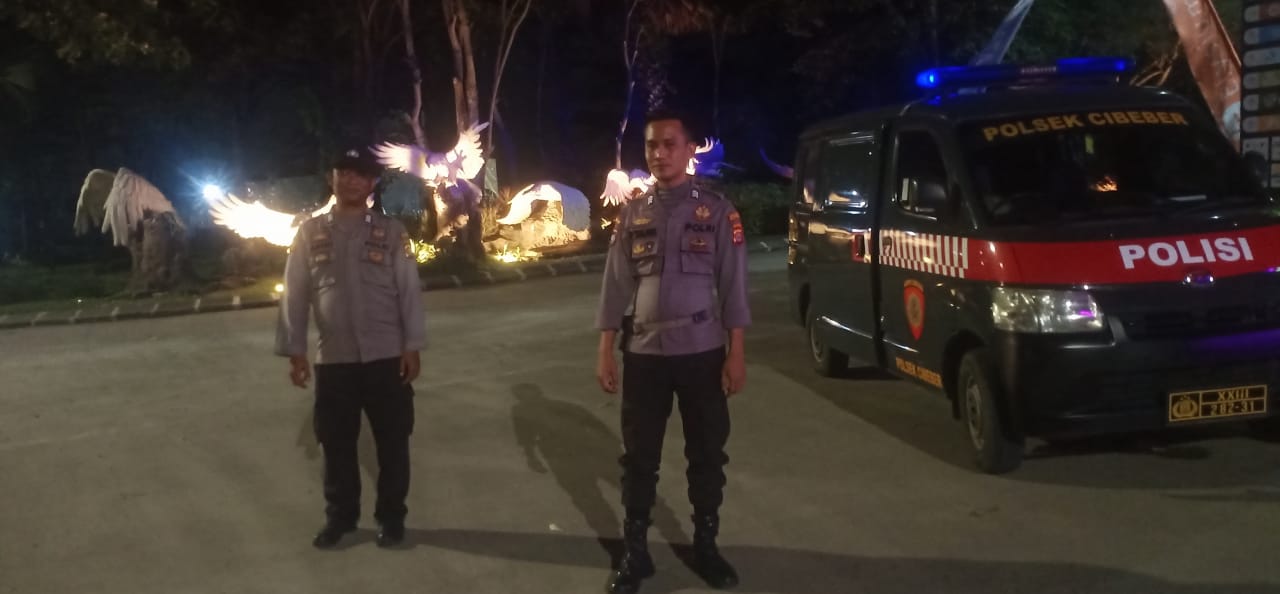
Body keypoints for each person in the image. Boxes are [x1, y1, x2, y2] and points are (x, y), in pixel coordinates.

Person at [595, 109, 751, 593]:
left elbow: (733, 285)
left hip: (702, 351)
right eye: (651, 145)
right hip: (644, 354)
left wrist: (736, 351)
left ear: (687, 151)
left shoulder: (718, 211)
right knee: (639, 457)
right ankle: (635, 552)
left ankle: (705, 547)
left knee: (706, 453)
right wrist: (605, 348)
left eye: (669, 144)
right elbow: (615, 285)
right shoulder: (633, 213)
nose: (659, 153)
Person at [275, 146, 426, 549]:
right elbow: (295, 292)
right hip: (334, 358)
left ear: (372, 182)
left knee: (392, 442)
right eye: (344, 172)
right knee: (336, 443)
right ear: (333, 178)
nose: (351, 180)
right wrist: (295, 350)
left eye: (360, 174)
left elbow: (409, 291)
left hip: (386, 356)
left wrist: (412, 345)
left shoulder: (391, 232)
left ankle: (391, 518)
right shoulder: (309, 232)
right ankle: (340, 518)